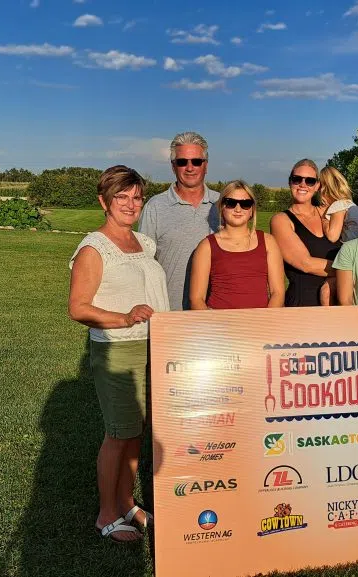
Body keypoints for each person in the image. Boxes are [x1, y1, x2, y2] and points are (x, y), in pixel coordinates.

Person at [67, 165, 170, 542]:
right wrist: (124, 317)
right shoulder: (94, 248)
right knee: (118, 433)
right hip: (118, 350)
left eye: (136, 197)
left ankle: (126, 502)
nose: (130, 204)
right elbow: (78, 308)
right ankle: (106, 515)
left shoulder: (145, 243)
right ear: (104, 201)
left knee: (135, 432)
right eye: (121, 197)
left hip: (154, 345)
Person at [139, 131, 219, 310]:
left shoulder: (224, 204)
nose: (190, 168)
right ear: (173, 166)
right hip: (170, 311)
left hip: (218, 313)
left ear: (206, 165)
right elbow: (143, 263)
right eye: (182, 162)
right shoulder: (155, 207)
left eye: (196, 161)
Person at [189, 180, 286, 309]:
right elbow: (196, 299)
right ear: (221, 207)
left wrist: (266, 319)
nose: (238, 209)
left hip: (260, 319)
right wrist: (211, 320)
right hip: (219, 319)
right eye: (231, 203)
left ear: (252, 210)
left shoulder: (268, 242)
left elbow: (277, 293)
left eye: (245, 204)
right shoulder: (206, 246)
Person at [269, 159, 341, 307]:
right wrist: (351, 269)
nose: (303, 184)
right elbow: (305, 263)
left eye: (310, 181)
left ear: (317, 186)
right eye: (297, 179)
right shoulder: (281, 220)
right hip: (303, 306)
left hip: (338, 305)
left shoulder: (331, 213)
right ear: (290, 182)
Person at [317, 166, 358, 305]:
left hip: (351, 258)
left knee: (326, 291)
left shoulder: (338, 205)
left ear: (324, 188)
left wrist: (324, 221)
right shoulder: (351, 205)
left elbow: (332, 236)